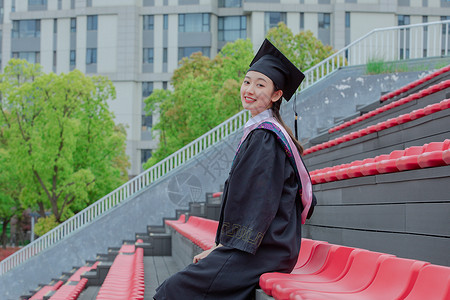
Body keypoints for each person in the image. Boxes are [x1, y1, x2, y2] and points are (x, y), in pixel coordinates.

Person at [154, 39, 315, 300]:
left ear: (276, 95)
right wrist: (220, 248)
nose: (249, 89)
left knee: (173, 290)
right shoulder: (262, 132)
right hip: (263, 245)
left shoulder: (266, 137)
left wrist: (221, 250)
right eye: (247, 81)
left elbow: (257, 204)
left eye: (260, 84)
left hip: (264, 249)